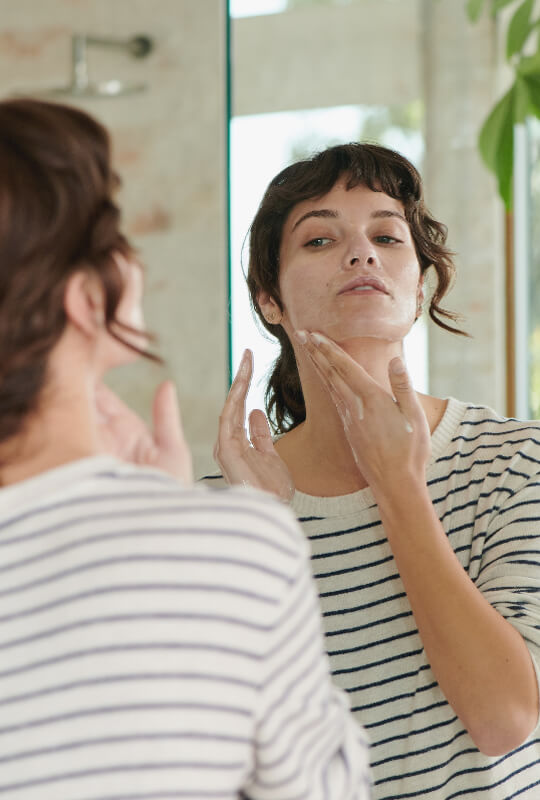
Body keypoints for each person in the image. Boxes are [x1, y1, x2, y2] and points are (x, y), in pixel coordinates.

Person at [0, 98, 371, 800]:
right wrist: (186, 520)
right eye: (112, 235)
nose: (361, 255)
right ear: (85, 299)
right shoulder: (238, 545)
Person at [210, 143, 540, 799]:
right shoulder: (232, 508)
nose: (361, 253)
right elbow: (219, 761)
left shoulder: (515, 462)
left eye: (386, 236)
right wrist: (262, 542)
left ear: (418, 289)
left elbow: (505, 719)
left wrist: (398, 484)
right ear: (269, 299)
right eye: (320, 239)